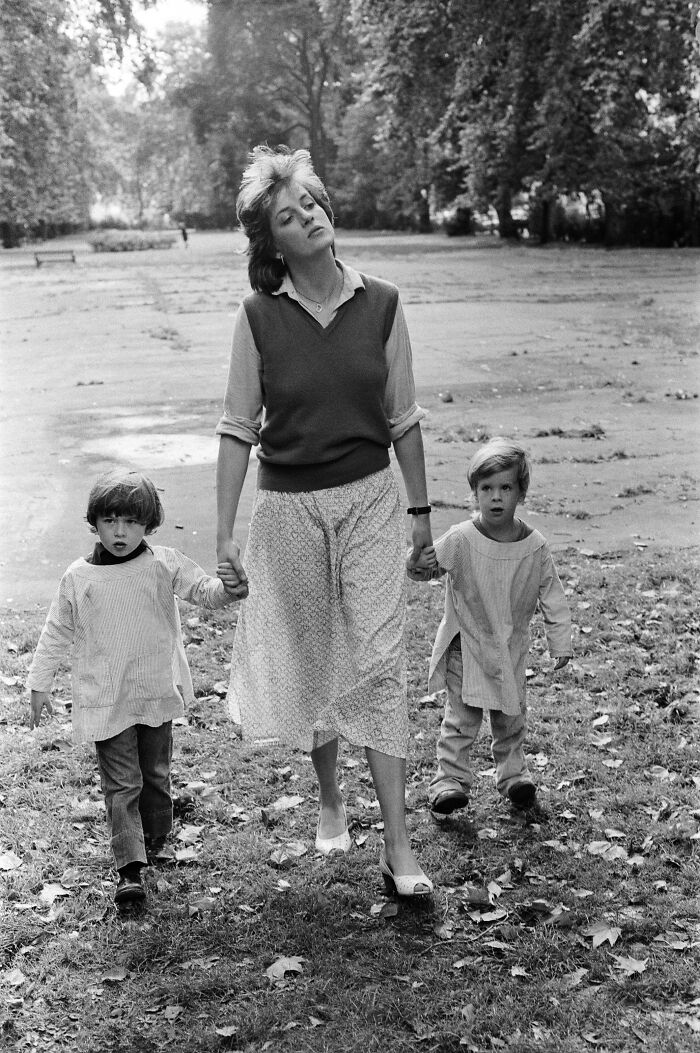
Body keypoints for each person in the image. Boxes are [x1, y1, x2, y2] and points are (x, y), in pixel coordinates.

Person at [216, 145, 434, 897]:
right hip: (287, 511)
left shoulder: (383, 302)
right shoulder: (258, 316)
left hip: (370, 495)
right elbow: (238, 427)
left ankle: (400, 848)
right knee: (314, 666)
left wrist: (421, 517)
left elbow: (403, 417)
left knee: (377, 662)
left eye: (311, 201)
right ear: (270, 243)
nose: (306, 214)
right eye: (287, 213)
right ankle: (331, 796)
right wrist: (221, 534)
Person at [27, 469, 243, 906]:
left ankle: (157, 835)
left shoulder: (163, 563)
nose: (120, 531)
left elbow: (203, 591)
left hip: (154, 690)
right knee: (122, 784)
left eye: (131, 522)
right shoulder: (78, 577)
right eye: (110, 521)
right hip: (105, 699)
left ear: (148, 525)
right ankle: (130, 868)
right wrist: (39, 682)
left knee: (155, 773)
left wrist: (231, 589)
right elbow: (56, 632)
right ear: (95, 523)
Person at [408, 438, 572, 817]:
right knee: (462, 719)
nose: (496, 497)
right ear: (475, 493)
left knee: (510, 716)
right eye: (486, 489)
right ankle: (448, 783)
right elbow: (426, 569)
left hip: (509, 646)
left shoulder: (534, 547)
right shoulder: (462, 538)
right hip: (466, 644)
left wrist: (559, 640)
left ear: (521, 492)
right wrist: (418, 559)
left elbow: (552, 593)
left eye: (505, 488)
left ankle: (514, 776)